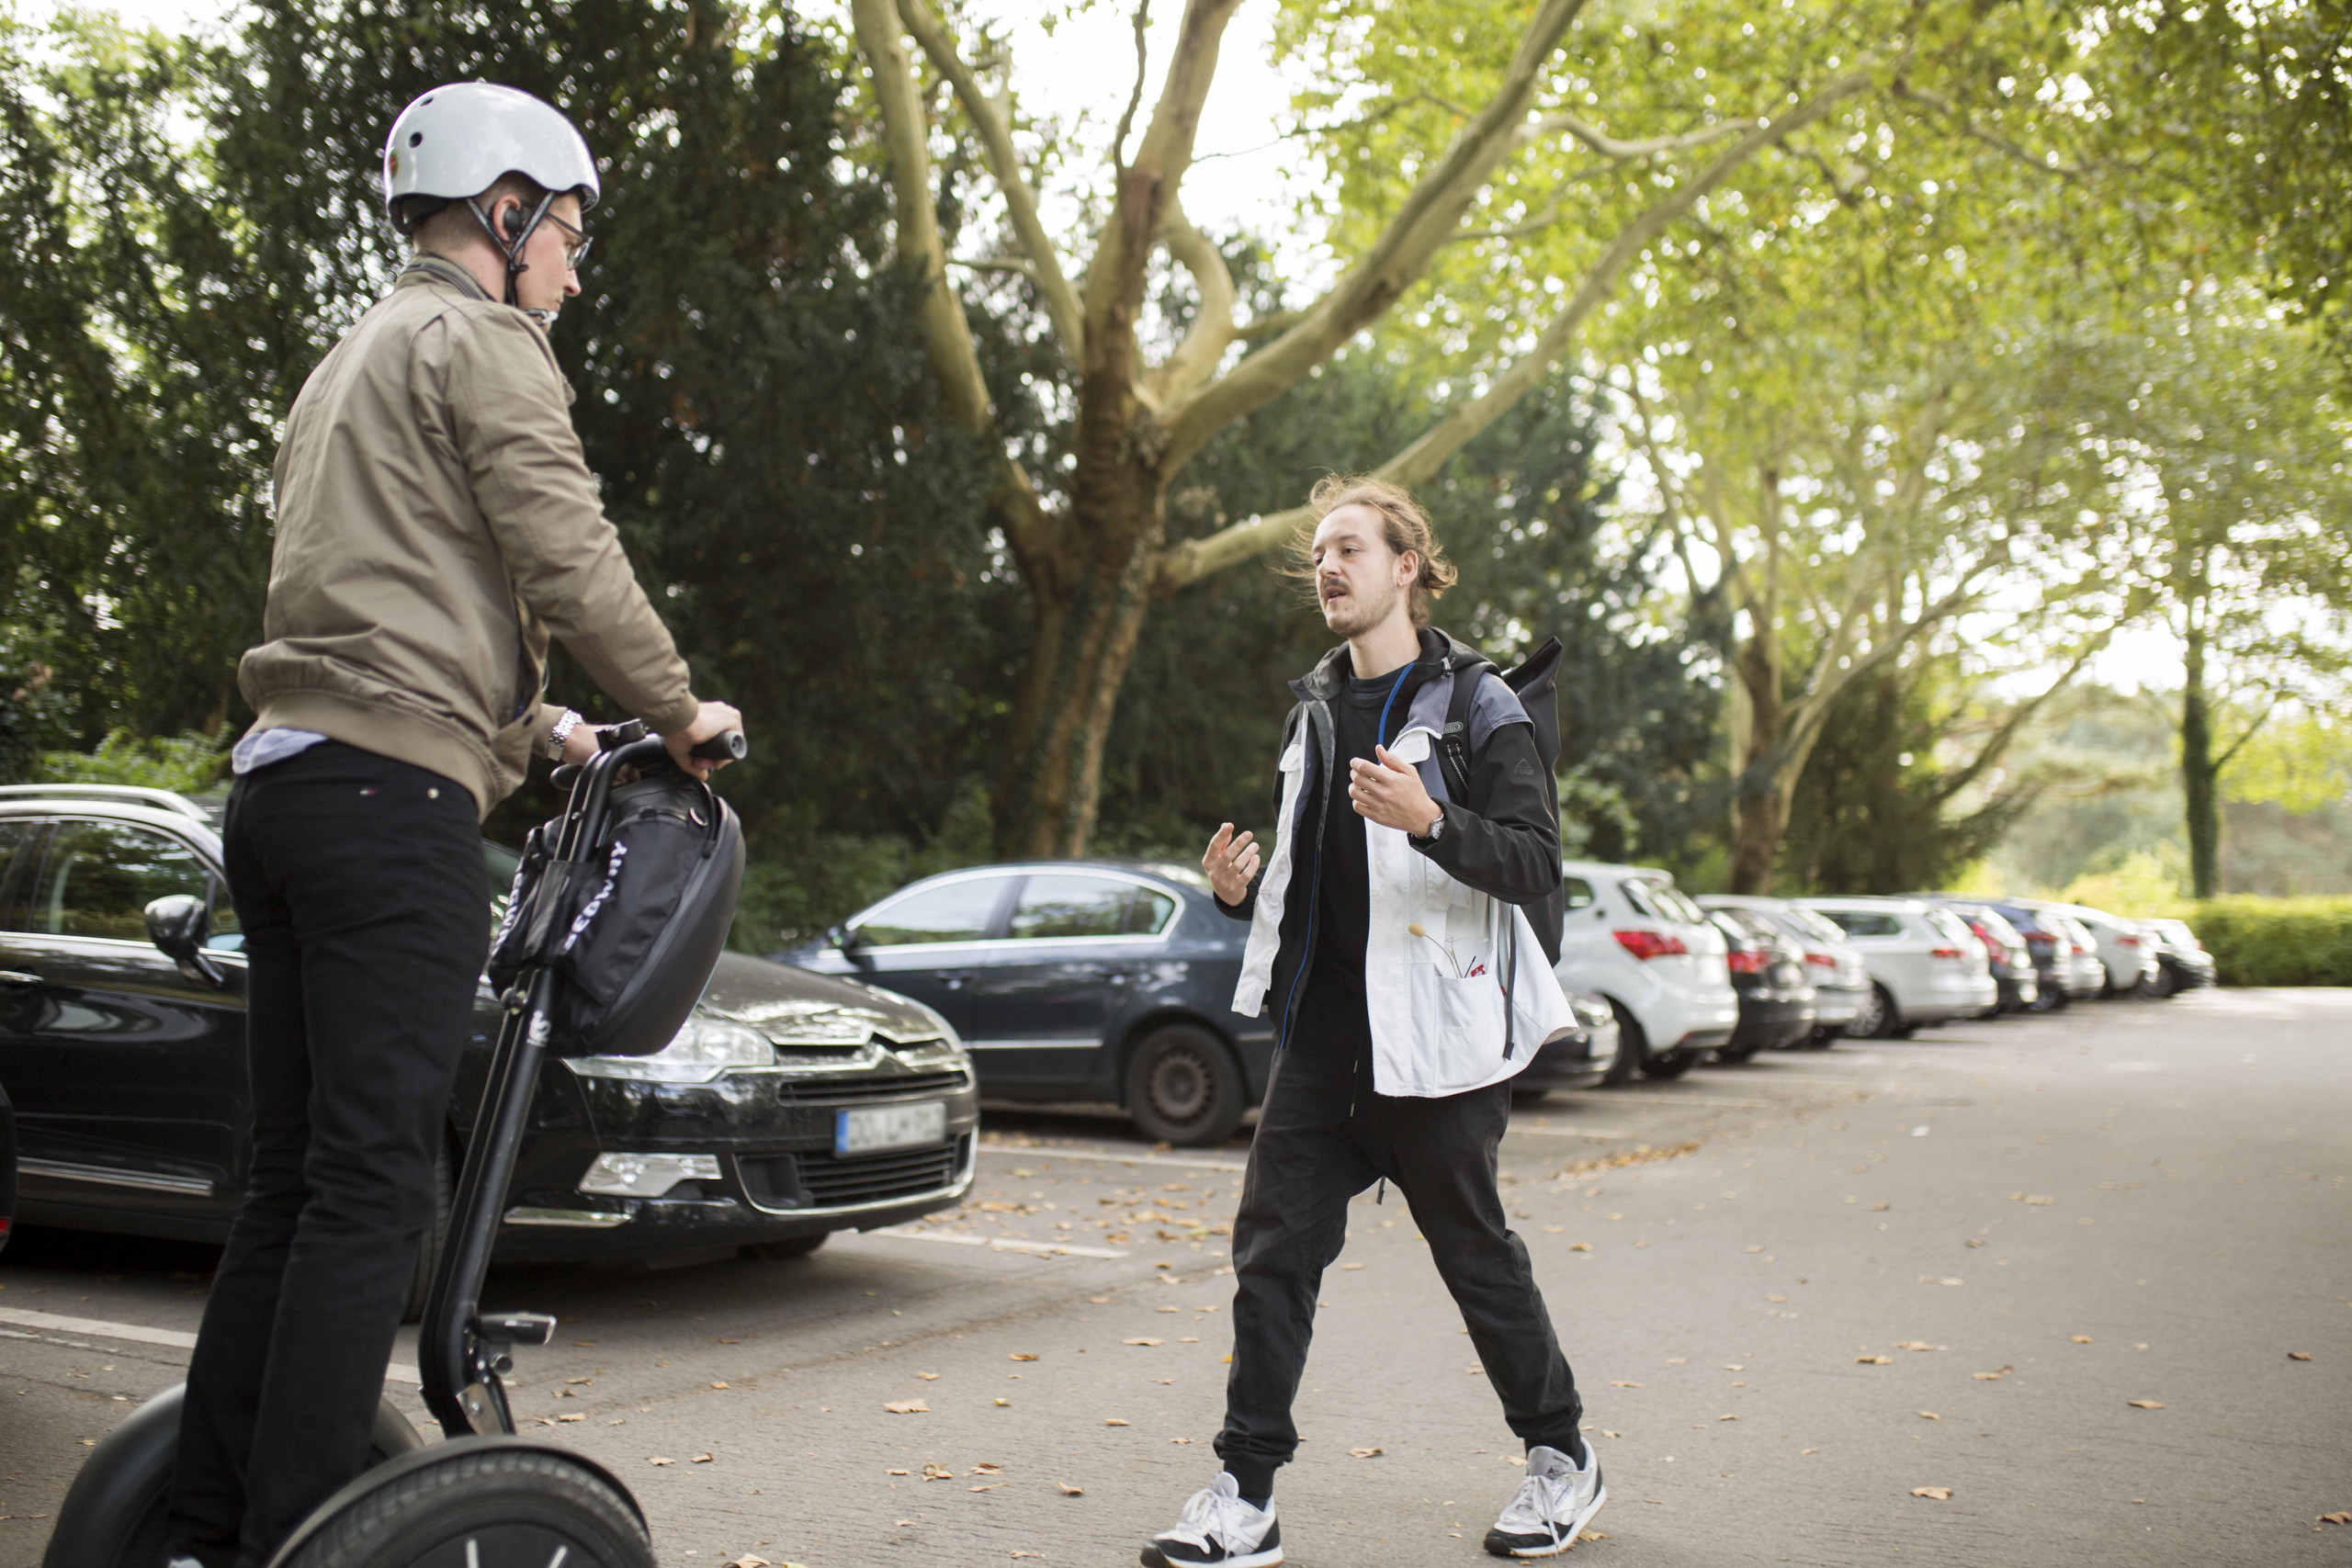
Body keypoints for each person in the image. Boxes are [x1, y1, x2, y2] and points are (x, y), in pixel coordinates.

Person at [164, 83, 743, 1568]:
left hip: (286, 788)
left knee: (294, 1179)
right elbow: (563, 544)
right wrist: (678, 710)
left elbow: (383, 596)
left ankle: (200, 1525)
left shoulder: (347, 360)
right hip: (387, 812)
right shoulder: (485, 340)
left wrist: (541, 727)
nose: (571, 261)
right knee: (372, 1189)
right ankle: (299, 1539)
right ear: (502, 212)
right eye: (564, 229)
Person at [1141, 476, 1602, 1566]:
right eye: (1316, 555)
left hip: (1438, 1050)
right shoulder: (1311, 708)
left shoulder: (1480, 704)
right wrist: (1236, 893)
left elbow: (1537, 862)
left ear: (1407, 566)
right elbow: (1323, 885)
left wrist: (1433, 819)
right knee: (1271, 1257)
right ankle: (1244, 1494)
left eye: (1349, 547)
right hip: (1323, 1046)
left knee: (1475, 1260)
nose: (1327, 568)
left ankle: (1561, 1459)